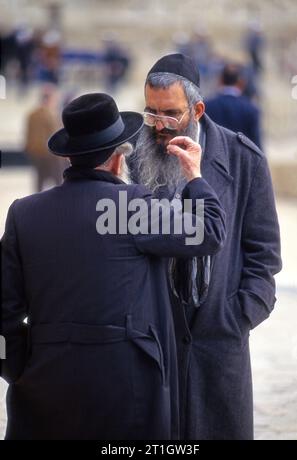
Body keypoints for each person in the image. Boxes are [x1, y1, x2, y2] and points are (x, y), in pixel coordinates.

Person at [1, 93, 226, 440]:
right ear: (117, 159)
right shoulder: (129, 207)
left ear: (70, 155)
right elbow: (209, 231)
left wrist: (20, 368)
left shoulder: (23, 213)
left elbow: (3, 315)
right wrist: (195, 176)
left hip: (43, 390)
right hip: (125, 390)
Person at [132, 53, 282, 440]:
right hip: (153, 341)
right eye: (151, 113)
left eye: (171, 114)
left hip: (219, 340)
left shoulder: (244, 159)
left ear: (197, 109)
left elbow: (264, 254)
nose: (159, 125)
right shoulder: (131, 159)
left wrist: (239, 315)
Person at [205, 63, 262, 149]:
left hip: (215, 159)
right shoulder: (251, 109)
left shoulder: (207, 106)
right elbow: (257, 145)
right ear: (241, 83)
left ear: (220, 81)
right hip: (243, 160)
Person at [24, 84, 67, 191]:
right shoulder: (52, 115)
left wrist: (31, 151)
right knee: (58, 183)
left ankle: (37, 205)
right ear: (51, 99)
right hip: (52, 155)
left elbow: (28, 136)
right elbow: (56, 135)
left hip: (36, 154)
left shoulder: (31, 114)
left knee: (39, 182)